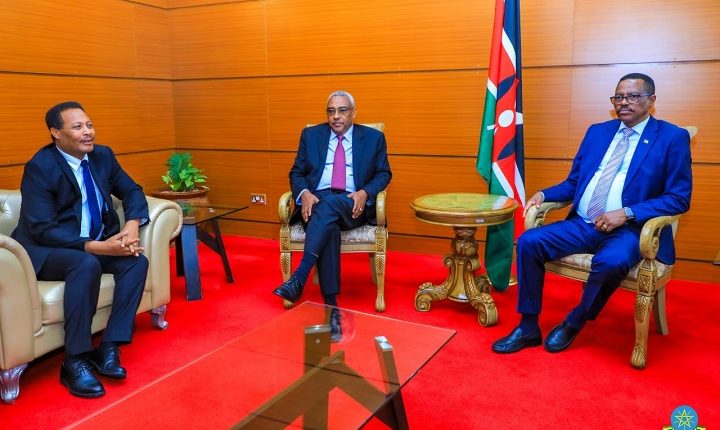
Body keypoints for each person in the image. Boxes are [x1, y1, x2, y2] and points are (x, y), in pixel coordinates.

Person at [492, 73, 692, 354]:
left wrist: (627, 213)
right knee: (529, 242)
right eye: (618, 97)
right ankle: (528, 327)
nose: (624, 102)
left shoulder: (672, 137)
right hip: (584, 223)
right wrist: (545, 195)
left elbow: (678, 199)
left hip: (630, 230)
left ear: (651, 101)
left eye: (633, 96)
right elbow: (576, 182)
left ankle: (575, 321)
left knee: (611, 261)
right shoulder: (598, 132)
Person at [12, 102, 149, 398]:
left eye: (89, 125)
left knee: (136, 262)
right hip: (44, 249)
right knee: (85, 264)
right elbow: (43, 229)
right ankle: (74, 361)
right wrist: (100, 247)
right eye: (78, 127)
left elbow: (132, 190)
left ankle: (109, 347)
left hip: (90, 244)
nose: (88, 132)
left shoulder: (102, 156)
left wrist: (131, 226)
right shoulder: (40, 167)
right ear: (56, 133)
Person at [273, 91, 392, 341]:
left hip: (352, 204)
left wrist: (364, 193)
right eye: (331, 111)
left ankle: (300, 276)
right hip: (316, 203)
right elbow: (296, 173)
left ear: (353, 113)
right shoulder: (310, 135)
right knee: (328, 223)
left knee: (327, 208)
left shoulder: (373, 138)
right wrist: (304, 193)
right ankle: (332, 310)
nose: (336, 116)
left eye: (342, 110)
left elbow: (384, 174)